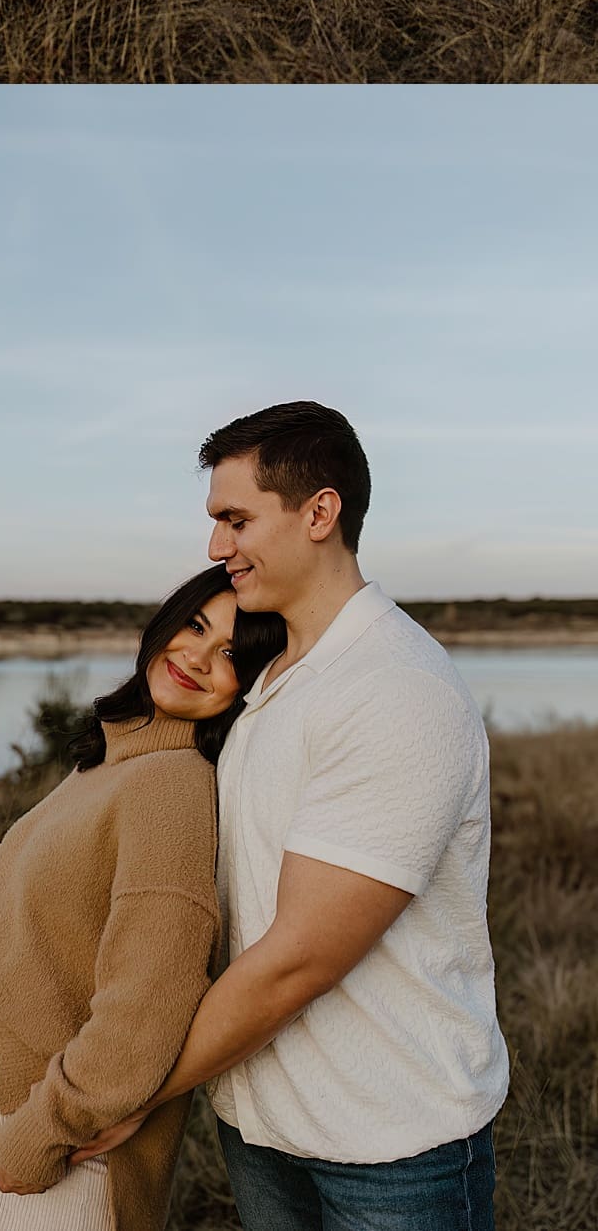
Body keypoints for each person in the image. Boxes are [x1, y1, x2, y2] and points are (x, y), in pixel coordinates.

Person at [73, 401, 510, 1231]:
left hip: (391, 1144)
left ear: (320, 511)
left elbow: (297, 961)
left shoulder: (395, 689)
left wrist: (131, 1092)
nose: (214, 547)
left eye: (236, 519)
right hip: (264, 1125)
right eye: (214, 522)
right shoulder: (274, 676)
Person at [0, 564, 286, 1231]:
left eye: (230, 655)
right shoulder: (115, 760)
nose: (196, 657)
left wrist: (47, 1130)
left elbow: (151, 997)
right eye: (196, 626)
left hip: (47, 1151)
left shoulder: (173, 786)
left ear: (246, 687)